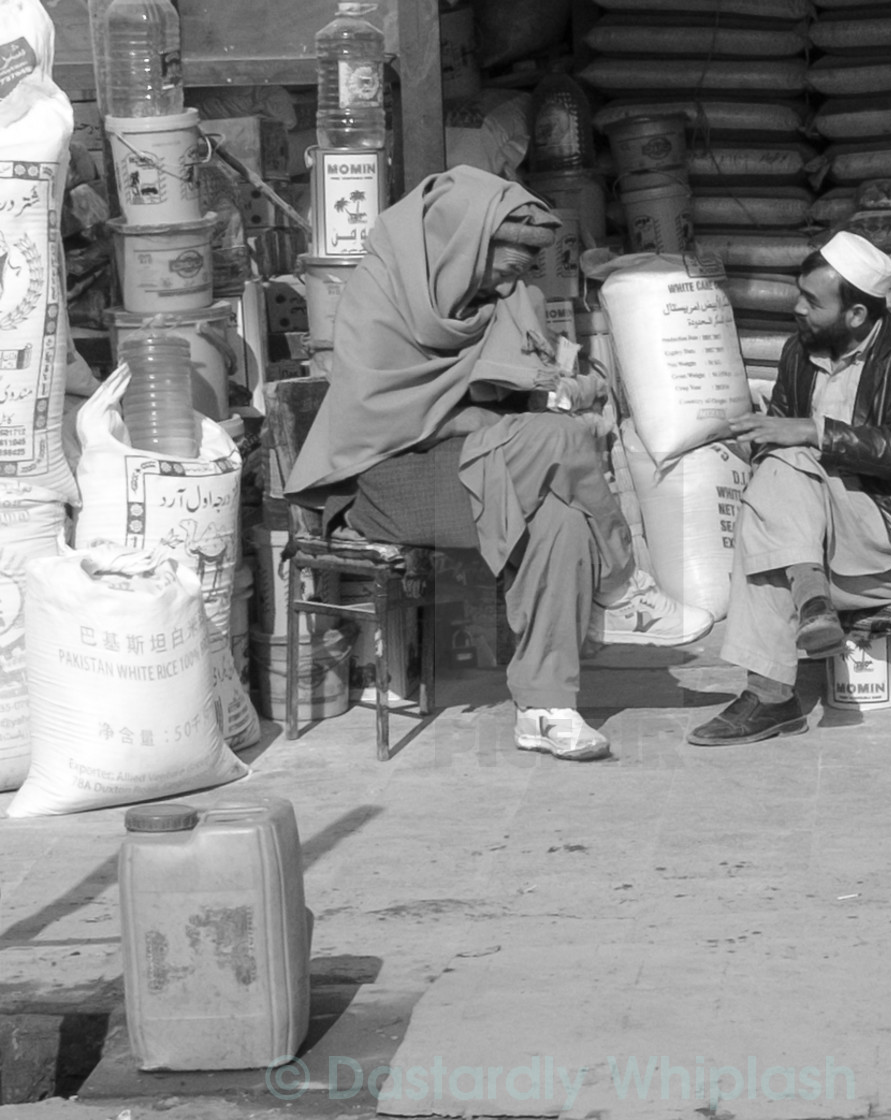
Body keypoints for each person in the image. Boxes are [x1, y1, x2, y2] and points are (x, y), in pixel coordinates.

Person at [286, 166, 712, 763]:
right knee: (560, 441)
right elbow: (383, 416)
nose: (513, 281)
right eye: (507, 265)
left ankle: (546, 708)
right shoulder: (380, 296)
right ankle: (620, 582)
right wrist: (501, 420)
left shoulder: (500, 299)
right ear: (464, 244)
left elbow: (515, 392)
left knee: (562, 519)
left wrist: (560, 386)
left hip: (482, 466)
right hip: (393, 479)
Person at [688, 230, 891, 746]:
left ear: (857, 315)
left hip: (889, 549)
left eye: (811, 301)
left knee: (783, 481)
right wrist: (745, 439)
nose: (796, 308)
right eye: (798, 293)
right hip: (813, 541)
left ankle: (771, 695)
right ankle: (811, 601)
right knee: (777, 476)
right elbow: (781, 437)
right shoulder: (802, 350)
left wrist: (810, 431)